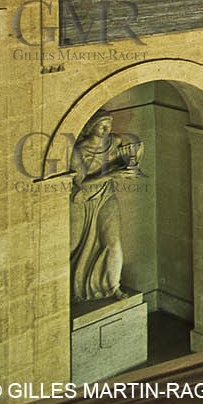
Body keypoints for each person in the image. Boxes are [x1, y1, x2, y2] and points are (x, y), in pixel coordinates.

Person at [69, 111, 143, 303]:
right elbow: (81, 183)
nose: (106, 129)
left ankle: (113, 287)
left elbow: (135, 146)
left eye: (109, 125)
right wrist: (112, 174)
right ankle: (75, 288)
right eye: (102, 125)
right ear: (90, 127)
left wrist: (131, 163)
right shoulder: (79, 151)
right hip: (84, 201)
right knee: (74, 245)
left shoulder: (114, 141)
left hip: (107, 197)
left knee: (113, 242)